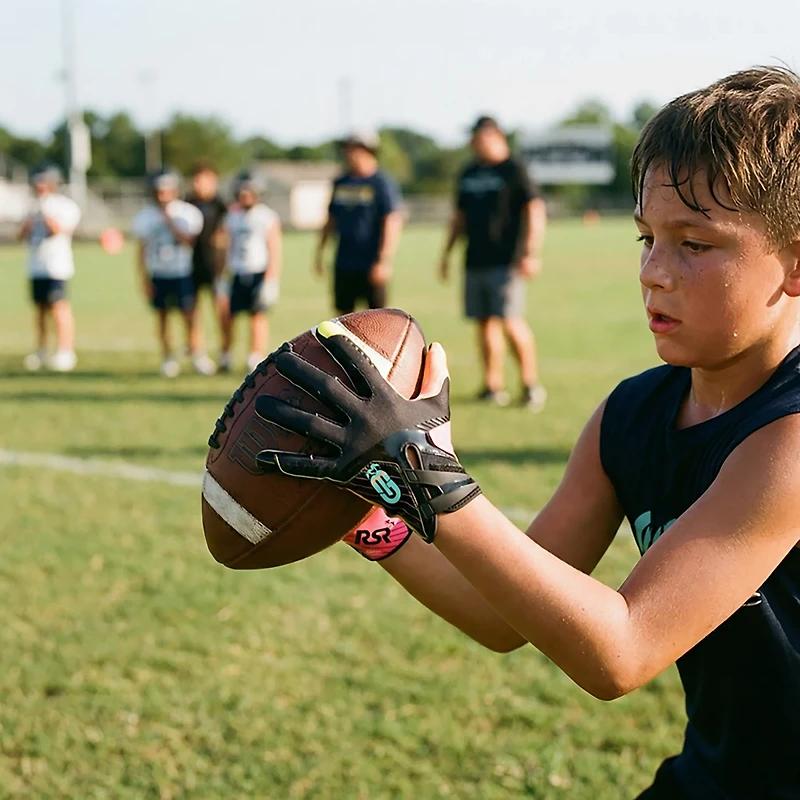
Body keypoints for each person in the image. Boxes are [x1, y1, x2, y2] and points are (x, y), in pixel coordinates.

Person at [253, 67, 800, 799]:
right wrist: (366, 508)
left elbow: (622, 649)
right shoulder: (631, 415)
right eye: (646, 237)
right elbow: (499, 613)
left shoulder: (791, 439)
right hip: (714, 779)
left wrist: (426, 471)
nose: (653, 272)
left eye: (695, 244)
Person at [441, 116, 547, 411]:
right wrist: (447, 253)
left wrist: (530, 252)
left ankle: (530, 385)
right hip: (475, 259)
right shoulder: (469, 172)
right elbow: (459, 217)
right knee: (484, 323)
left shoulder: (515, 169)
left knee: (511, 321)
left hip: (506, 261)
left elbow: (535, 210)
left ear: (494, 135)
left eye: (478, 137)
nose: (473, 143)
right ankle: (492, 385)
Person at [132, 168, 216, 377]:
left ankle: (197, 354)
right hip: (158, 272)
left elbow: (188, 241)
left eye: (166, 190)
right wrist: (143, 277)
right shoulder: (145, 216)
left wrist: (169, 219)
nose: (162, 195)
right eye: (159, 191)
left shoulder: (186, 213)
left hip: (181, 272)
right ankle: (168, 357)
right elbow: (141, 250)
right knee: (162, 317)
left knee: (190, 316)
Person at [314, 130, 403, 314]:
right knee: (343, 319)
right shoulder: (341, 182)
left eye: (352, 148)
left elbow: (391, 221)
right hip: (344, 262)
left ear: (368, 150)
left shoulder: (381, 183)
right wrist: (320, 252)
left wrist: (383, 260)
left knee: (377, 318)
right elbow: (331, 219)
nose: (347, 153)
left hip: (371, 262)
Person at [17, 163, 81, 372]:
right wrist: (29, 221)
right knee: (40, 311)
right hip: (36, 265)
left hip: (56, 266)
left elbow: (59, 230)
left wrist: (45, 211)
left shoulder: (64, 206)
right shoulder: (30, 206)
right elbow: (21, 237)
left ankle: (65, 351)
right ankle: (41, 350)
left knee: (59, 307)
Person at [220, 170, 282, 373]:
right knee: (228, 315)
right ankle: (226, 354)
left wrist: (270, 279)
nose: (245, 195)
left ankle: (255, 355)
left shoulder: (266, 216)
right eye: (242, 192)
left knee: (257, 316)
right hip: (237, 271)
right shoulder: (232, 216)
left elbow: (274, 248)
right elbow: (227, 246)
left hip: (258, 271)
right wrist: (222, 274)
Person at [186, 159, 228, 357]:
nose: (198, 184)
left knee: (221, 310)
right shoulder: (187, 203)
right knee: (192, 312)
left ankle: (225, 351)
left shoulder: (221, 205)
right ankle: (197, 351)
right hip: (192, 265)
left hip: (215, 266)